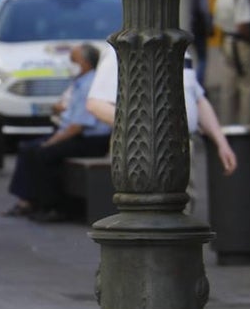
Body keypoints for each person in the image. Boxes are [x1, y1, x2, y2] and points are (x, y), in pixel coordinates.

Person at [86, 42, 237, 196]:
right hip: (144, 148)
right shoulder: (124, 48)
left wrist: (221, 142)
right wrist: (149, 129)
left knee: (185, 208)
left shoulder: (179, 47)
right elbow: (96, 104)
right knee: (147, 212)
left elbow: (197, 98)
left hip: (183, 146)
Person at [4, 44, 111, 222]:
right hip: (75, 134)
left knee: (44, 154)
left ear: (85, 62)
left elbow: (78, 126)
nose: (70, 64)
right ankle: (28, 200)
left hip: (90, 140)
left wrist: (52, 142)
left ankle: (53, 206)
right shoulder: (80, 82)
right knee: (27, 149)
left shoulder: (88, 85)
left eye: (74, 60)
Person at [212, 0, 250, 125]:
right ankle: (246, 125)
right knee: (248, 86)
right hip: (241, 44)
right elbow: (242, 25)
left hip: (226, 42)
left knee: (228, 88)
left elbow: (217, 23)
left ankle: (226, 125)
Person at [181, 0, 212, 86]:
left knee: (184, 54)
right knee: (202, 57)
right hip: (197, 25)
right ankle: (198, 84)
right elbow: (204, 8)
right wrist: (208, 25)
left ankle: (186, 80)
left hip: (182, 24)